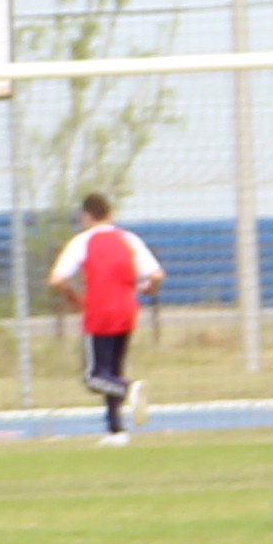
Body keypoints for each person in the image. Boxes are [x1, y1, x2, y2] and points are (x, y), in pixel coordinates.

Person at [50, 187, 163, 442]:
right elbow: (156, 275)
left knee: (94, 377)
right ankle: (116, 430)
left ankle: (129, 388)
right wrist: (146, 289)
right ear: (110, 214)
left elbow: (57, 279)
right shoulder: (128, 239)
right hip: (126, 311)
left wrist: (71, 297)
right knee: (113, 370)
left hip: (98, 313)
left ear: (85, 216)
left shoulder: (82, 241)